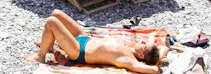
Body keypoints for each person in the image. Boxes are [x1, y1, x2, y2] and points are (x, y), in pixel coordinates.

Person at [32, 10, 171, 72]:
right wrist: (161, 53)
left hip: (78, 51)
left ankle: (41, 56)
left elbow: (153, 70)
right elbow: (160, 45)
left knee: (51, 22)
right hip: (85, 38)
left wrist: (156, 63)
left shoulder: (128, 59)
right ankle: (49, 46)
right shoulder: (130, 46)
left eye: (143, 45)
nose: (141, 41)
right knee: (56, 13)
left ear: (141, 55)